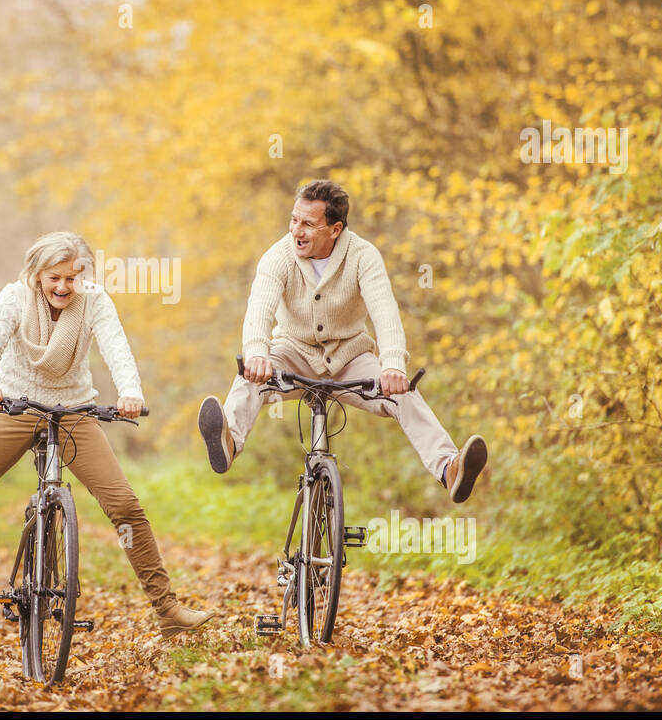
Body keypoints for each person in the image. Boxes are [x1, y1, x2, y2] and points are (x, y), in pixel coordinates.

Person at [0, 231, 214, 639]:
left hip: (75, 411)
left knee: (125, 505)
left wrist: (131, 392)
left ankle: (168, 610)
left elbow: (117, 348)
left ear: (83, 275)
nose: (64, 287)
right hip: (14, 406)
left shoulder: (95, 301)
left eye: (72, 278)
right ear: (36, 276)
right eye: (54, 279)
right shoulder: (13, 298)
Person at [197, 179, 488, 501]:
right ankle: (230, 442)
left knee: (405, 394)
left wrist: (393, 366)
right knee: (248, 380)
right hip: (291, 352)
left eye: (308, 224)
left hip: (351, 358)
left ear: (335, 229)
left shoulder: (364, 256)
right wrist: (256, 354)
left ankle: (448, 467)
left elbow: (385, 313)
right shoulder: (277, 257)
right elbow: (259, 311)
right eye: (294, 220)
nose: (297, 231)